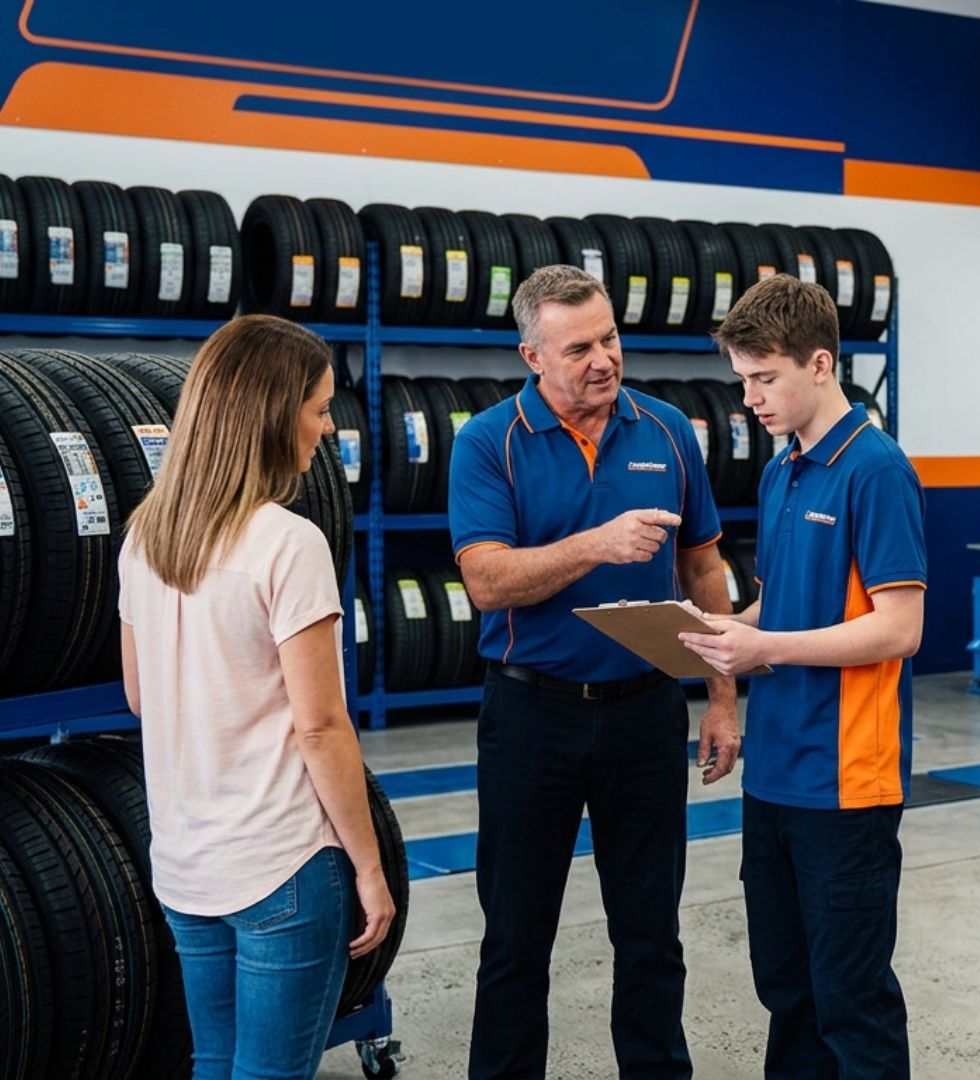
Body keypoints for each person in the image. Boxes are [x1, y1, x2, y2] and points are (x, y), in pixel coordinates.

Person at [448, 264, 741, 1079]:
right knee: (515, 937)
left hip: (647, 713)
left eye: (609, 338)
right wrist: (596, 546)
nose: (603, 359)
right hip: (530, 717)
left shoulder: (669, 429)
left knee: (651, 933)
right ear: (531, 355)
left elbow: (703, 569)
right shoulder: (486, 443)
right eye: (578, 347)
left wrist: (722, 698)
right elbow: (485, 580)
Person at [118, 314, 395, 1079]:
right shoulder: (288, 543)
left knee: (215, 1064)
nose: (327, 426)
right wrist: (369, 870)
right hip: (283, 866)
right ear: (275, 421)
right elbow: (321, 725)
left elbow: (142, 696)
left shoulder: (146, 538)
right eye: (318, 408)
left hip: (184, 863)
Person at [680, 274, 926, 1079]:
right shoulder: (783, 470)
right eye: (741, 381)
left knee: (849, 1001)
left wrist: (766, 649)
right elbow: (781, 606)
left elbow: (899, 626)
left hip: (847, 782)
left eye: (764, 378)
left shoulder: (876, 470)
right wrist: (727, 628)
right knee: (787, 991)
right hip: (776, 775)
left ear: (821, 364)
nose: (749, 398)